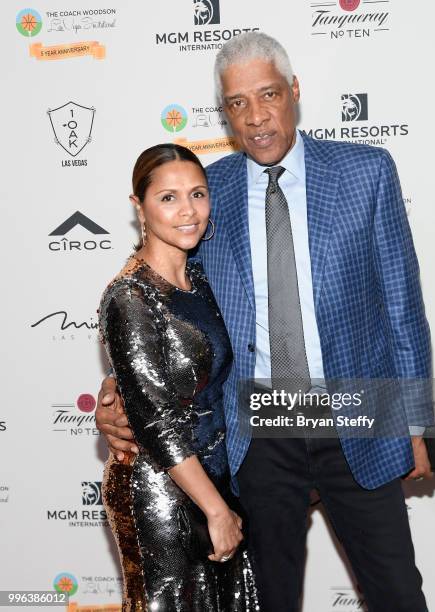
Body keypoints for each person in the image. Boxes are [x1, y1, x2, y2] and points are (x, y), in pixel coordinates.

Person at [96, 33, 434, 612]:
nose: (255, 118)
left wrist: (420, 424)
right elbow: (170, 302)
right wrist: (118, 390)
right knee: (267, 599)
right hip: (256, 427)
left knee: (397, 593)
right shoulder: (209, 192)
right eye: (237, 103)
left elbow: (403, 308)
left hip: (357, 409)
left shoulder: (366, 172)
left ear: (294, 92)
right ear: (223, 111)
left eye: (268, 95)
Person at [97, 143, 259, 611]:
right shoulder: (130, 296)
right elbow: (155, 419)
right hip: (162, 492)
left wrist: (223, 502)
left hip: (218, 477)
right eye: (168, 198)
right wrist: (215, 510)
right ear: (139, 207)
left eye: (198, 194)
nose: (188, 211)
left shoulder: (203, 280)